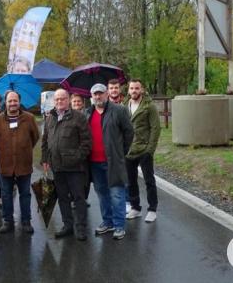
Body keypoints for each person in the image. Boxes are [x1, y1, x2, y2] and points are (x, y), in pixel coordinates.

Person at [41, 89, 91, 241]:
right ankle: (67, 225)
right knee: (62, 198)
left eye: (62, 98)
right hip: (57, 167)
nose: (59, 101)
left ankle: (81, 228)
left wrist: (76, 158)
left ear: (68, 100)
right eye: (57, 99)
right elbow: (45, 141)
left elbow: (86, 143)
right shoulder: (50, 118)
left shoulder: (79, 117)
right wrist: (45, 160)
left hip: (75, 168)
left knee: (78, 198)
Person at [85, 83, 134, 240]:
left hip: (114, 161)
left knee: (117, 194)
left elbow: (129, 133)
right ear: (92, 96)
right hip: (94, 162)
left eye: (100, 93)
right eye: (95, 94)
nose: (98, 96)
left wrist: (121, 152)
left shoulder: (118, 110)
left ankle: (119, 226)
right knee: (102, 194)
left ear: (106, 94)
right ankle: (108, 222)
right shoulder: (88, 113)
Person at [0, 91, 40, 234]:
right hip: (5, 164)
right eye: (10, 101)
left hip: (24, 163)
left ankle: (26, 221)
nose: (12, 103)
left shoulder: (29, 118)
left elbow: (35, 137)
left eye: (15, 101)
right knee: (6, 194)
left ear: (19, 102)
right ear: (5, 102)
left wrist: (24, 148)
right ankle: (7, 221)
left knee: (25, 194)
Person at [124, 79, 162, 223]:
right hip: (129, 150)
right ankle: (135, 208)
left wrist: (149, 150)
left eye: (136, 88)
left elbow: (155, 128)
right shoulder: (124, 106)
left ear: (142, 89)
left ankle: (152, 209)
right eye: (131, 88)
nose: (134, 91)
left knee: (149, 181)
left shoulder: (149, 106)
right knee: (131, 181)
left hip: (144, 149)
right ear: (128, 90)